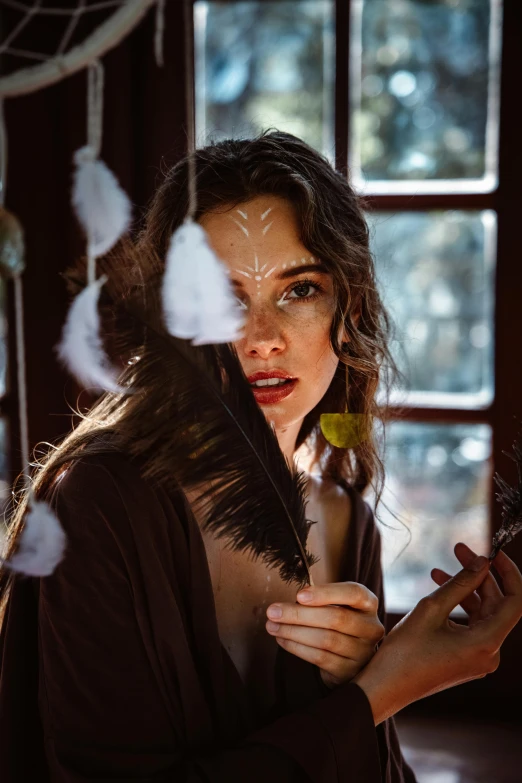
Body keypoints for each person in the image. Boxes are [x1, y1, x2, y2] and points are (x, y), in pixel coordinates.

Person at [0, 131, 520, 782]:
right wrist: (382, 691)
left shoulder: (342, 519)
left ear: (349, 305)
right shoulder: (102, 504)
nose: (263, 339)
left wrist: (369, 680)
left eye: (298, 289)